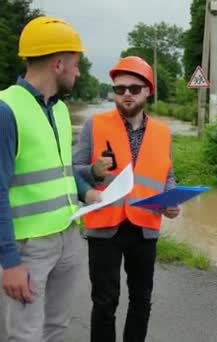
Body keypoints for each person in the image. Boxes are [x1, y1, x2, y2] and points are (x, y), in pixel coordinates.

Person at [0, 16, 101, 341]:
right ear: (59, 64)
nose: (79, 71)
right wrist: (10, 261)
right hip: (29, 248)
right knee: (26, 335)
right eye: (76, 64)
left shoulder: (58, 109)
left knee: (56, 328)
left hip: (68, 235)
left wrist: (86, 191)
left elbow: (61, 170)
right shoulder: (6, 110)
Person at [73, 56, 180, 342]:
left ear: (148, 90)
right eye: (120, 89)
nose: (127, 94)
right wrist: (90, 180)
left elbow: (167, 174)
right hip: (104, 227)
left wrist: (171, 201)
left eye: (134, 88)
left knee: (141, 302)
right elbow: (73, 171)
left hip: (144, 227)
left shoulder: (163, 133)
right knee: (105, 302)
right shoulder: (94, 126)